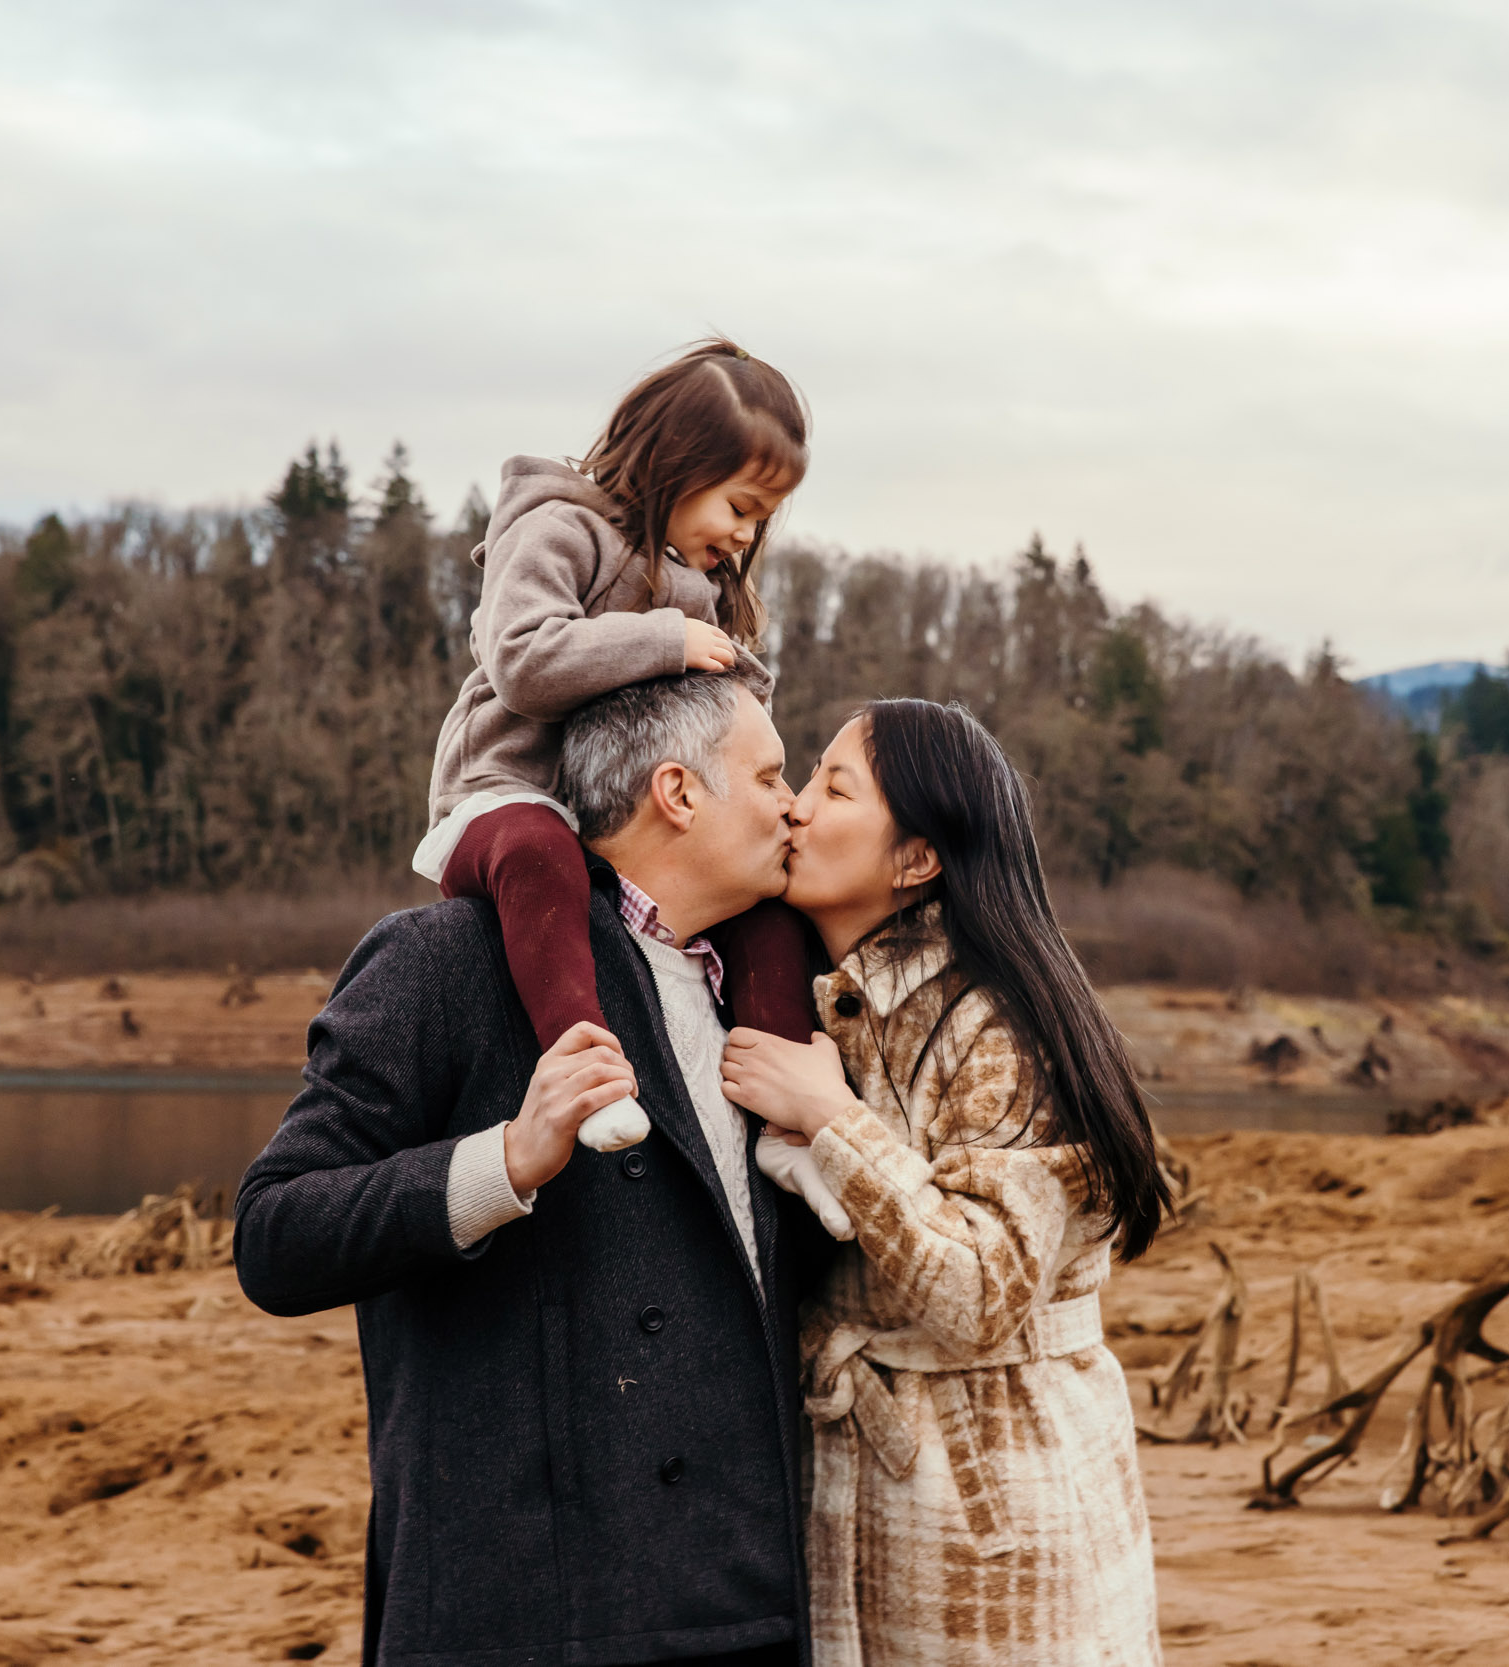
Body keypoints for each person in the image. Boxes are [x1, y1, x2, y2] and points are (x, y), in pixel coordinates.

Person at [236, 658, 836, 1667]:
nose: (795, 807)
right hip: (525, 1611)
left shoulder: (777, 993)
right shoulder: (442, 961)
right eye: (772, 774)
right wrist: (504, 1159)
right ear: (678, 791)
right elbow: (275, 1231)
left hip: (750, 1599)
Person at [718, 699, 1170, 1667]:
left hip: (997, 1516)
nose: (796, 809)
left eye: (832, 787)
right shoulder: (822, 995)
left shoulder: (999, 1025)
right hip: (852, 1493)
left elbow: (978, 1291)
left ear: (915, 859)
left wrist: (832, 1118)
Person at [417, 337, 818, 1153]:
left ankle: (788, 1124)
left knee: (765, 909)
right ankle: (588, 1075)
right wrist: (667, 639)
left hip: (620, 827)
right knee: (542, 853)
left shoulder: (702, 588)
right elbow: (524, 660)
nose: (746, 535)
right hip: (506, 798)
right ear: (678, 463)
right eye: (740, 507)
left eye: (762, 520)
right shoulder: (558, 529)